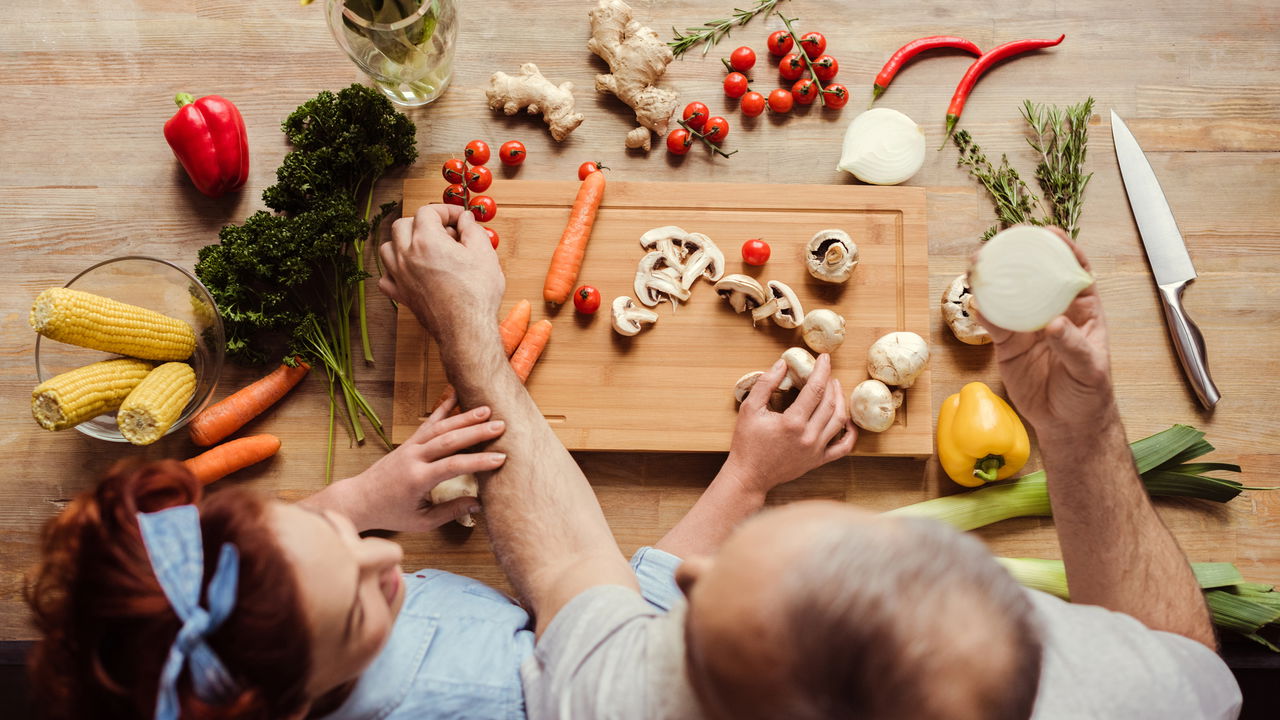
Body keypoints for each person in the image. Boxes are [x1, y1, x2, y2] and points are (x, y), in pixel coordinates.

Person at [380, 207, 1243, 720]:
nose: (681, 575)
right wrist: (1079, 432)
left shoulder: (626, 704)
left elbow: (572, 562)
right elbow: (1186, 661)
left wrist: (466, 327)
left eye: (695, 590)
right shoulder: (1115, 697)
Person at [25, 326, 850, 717]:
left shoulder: (245, 613)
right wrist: (749, 480)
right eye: (358, 609)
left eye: (335, 542)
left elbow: (291, 562)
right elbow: (612, 642)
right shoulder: (466, 701)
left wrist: (358, 502)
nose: (384, 563)